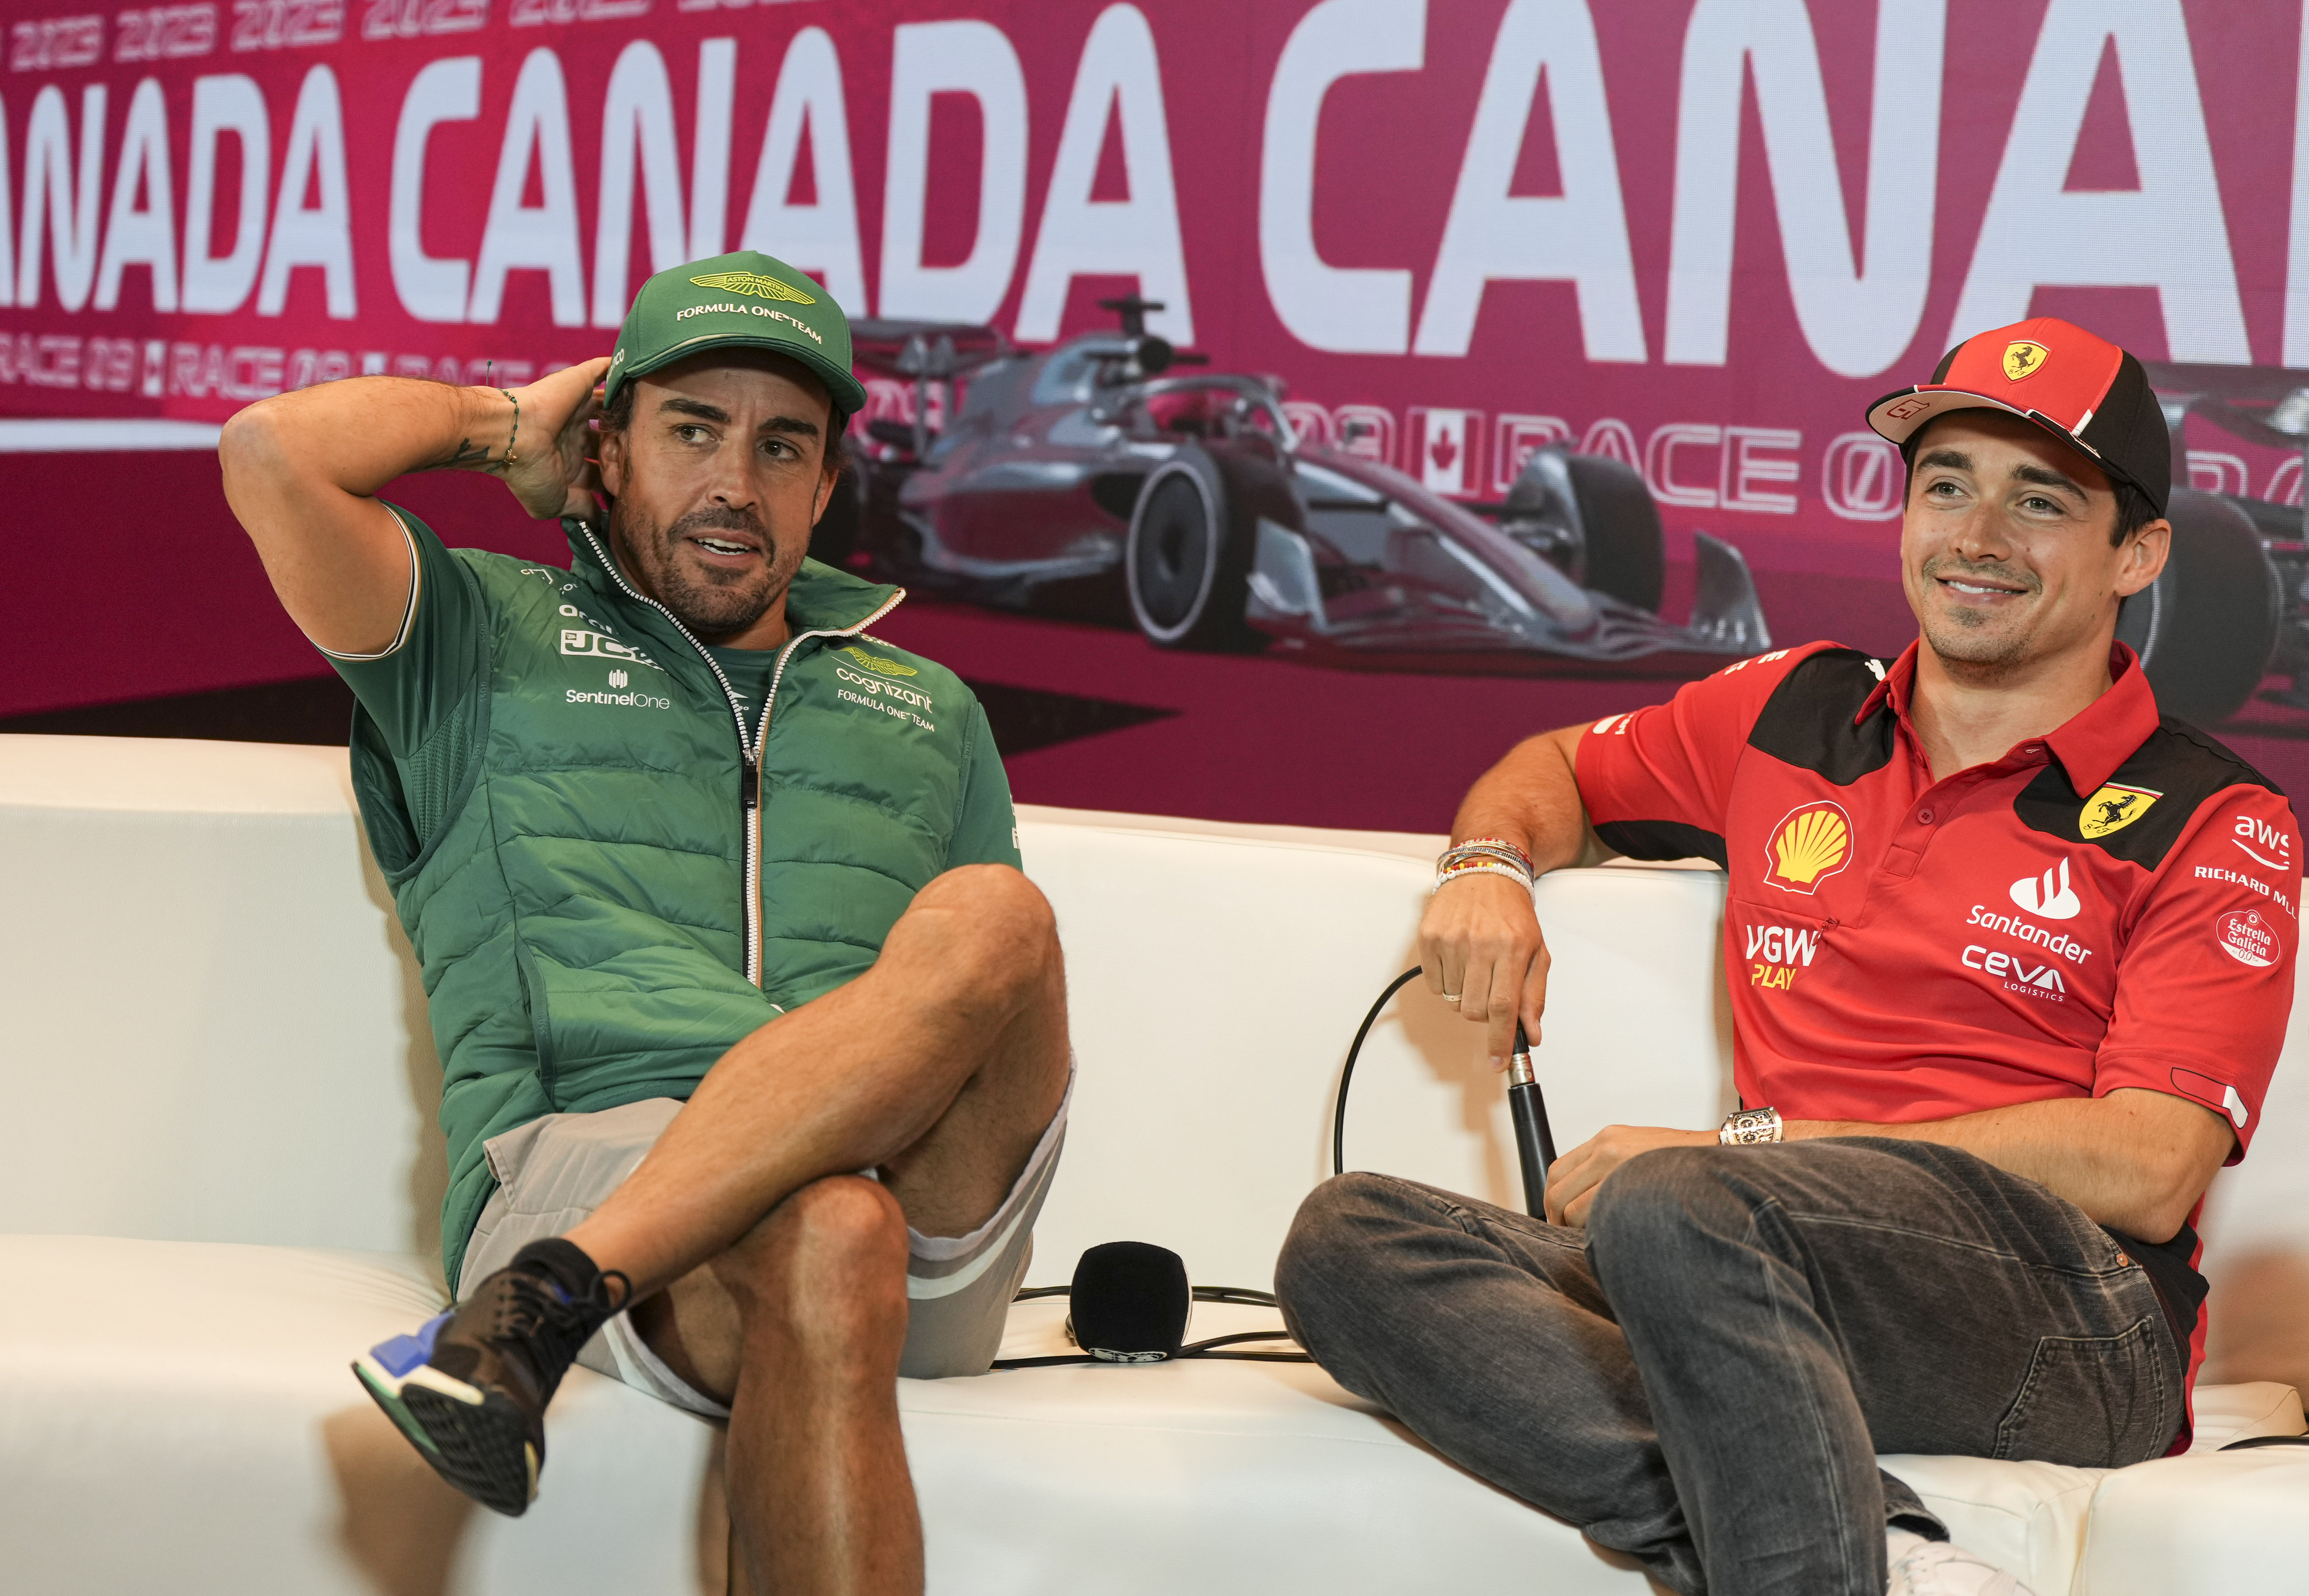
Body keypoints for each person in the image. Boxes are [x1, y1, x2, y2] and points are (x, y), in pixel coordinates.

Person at [1276, 318, 2296, 1596]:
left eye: (2038, 500)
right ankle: (1880, 1539)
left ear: (2138, 552)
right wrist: (1487, 866)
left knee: (1675, 1206)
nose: (1976, 538)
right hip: (1743, 1271)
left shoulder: (2213, 815)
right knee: (1350, 1241)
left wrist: (1745, 1152)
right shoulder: (1793, 710)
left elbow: (2150, 1165)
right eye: (1946, 487)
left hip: (2070, 1317)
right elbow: (1556, 772)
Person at [219, 251, 1071, 1594]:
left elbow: (968, 1015)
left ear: (826, 486)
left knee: (997, 915)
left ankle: (539, 1308)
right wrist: (501, 423)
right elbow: (272, 455)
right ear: (604, 448)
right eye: (692, 429)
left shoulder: (931, 707)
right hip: (599, 1153)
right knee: (828, 1230)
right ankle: (557, 1274)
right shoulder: (483, 634)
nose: (738, 480)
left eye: (783, 444)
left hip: (920, 1201)